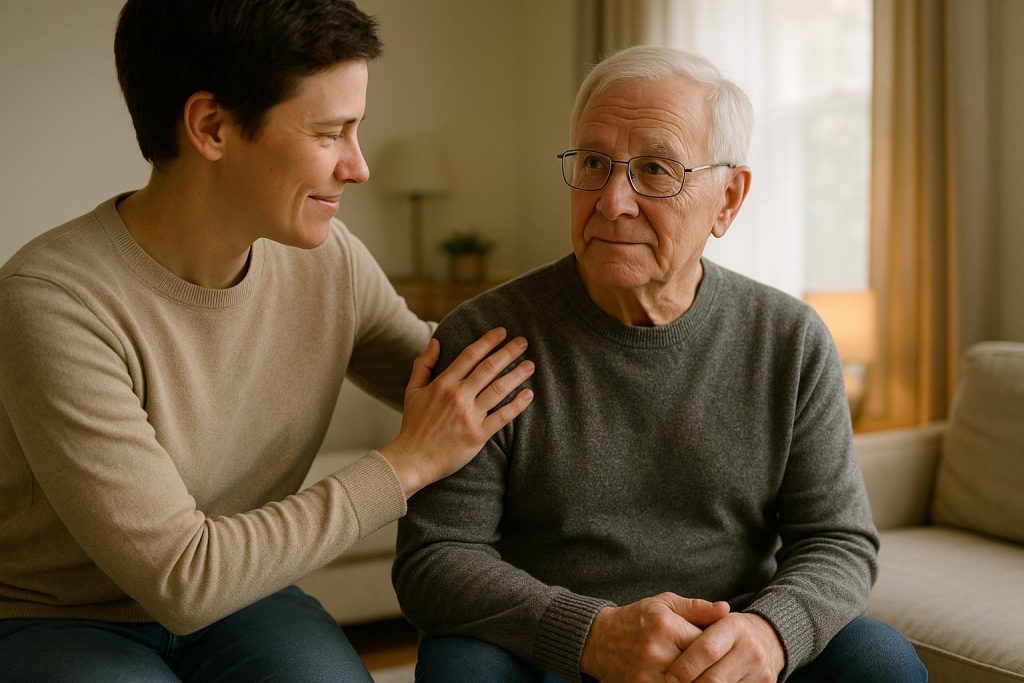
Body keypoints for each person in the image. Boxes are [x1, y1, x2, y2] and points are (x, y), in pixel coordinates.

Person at [0, 1, 535, 681]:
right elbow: (183, 577)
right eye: (330, 133)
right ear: (212, 127)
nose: (359, 166)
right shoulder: (52, 304)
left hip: (247, 596)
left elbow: (449, 375)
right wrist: (406, 465)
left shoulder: (328, 260)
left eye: (357, 129)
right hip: (59, 615)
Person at [392, 46, 927, 682]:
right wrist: (591, 633)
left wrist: (768, 634)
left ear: (728, 198)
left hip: (725, 644)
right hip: (552, 646)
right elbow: (436, 557)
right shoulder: (487, 337)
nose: (612, 200)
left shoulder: (790, 339)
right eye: (594, 163)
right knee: (462, 671)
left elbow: (838, 542)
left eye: (654, 170)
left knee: (880, 661)